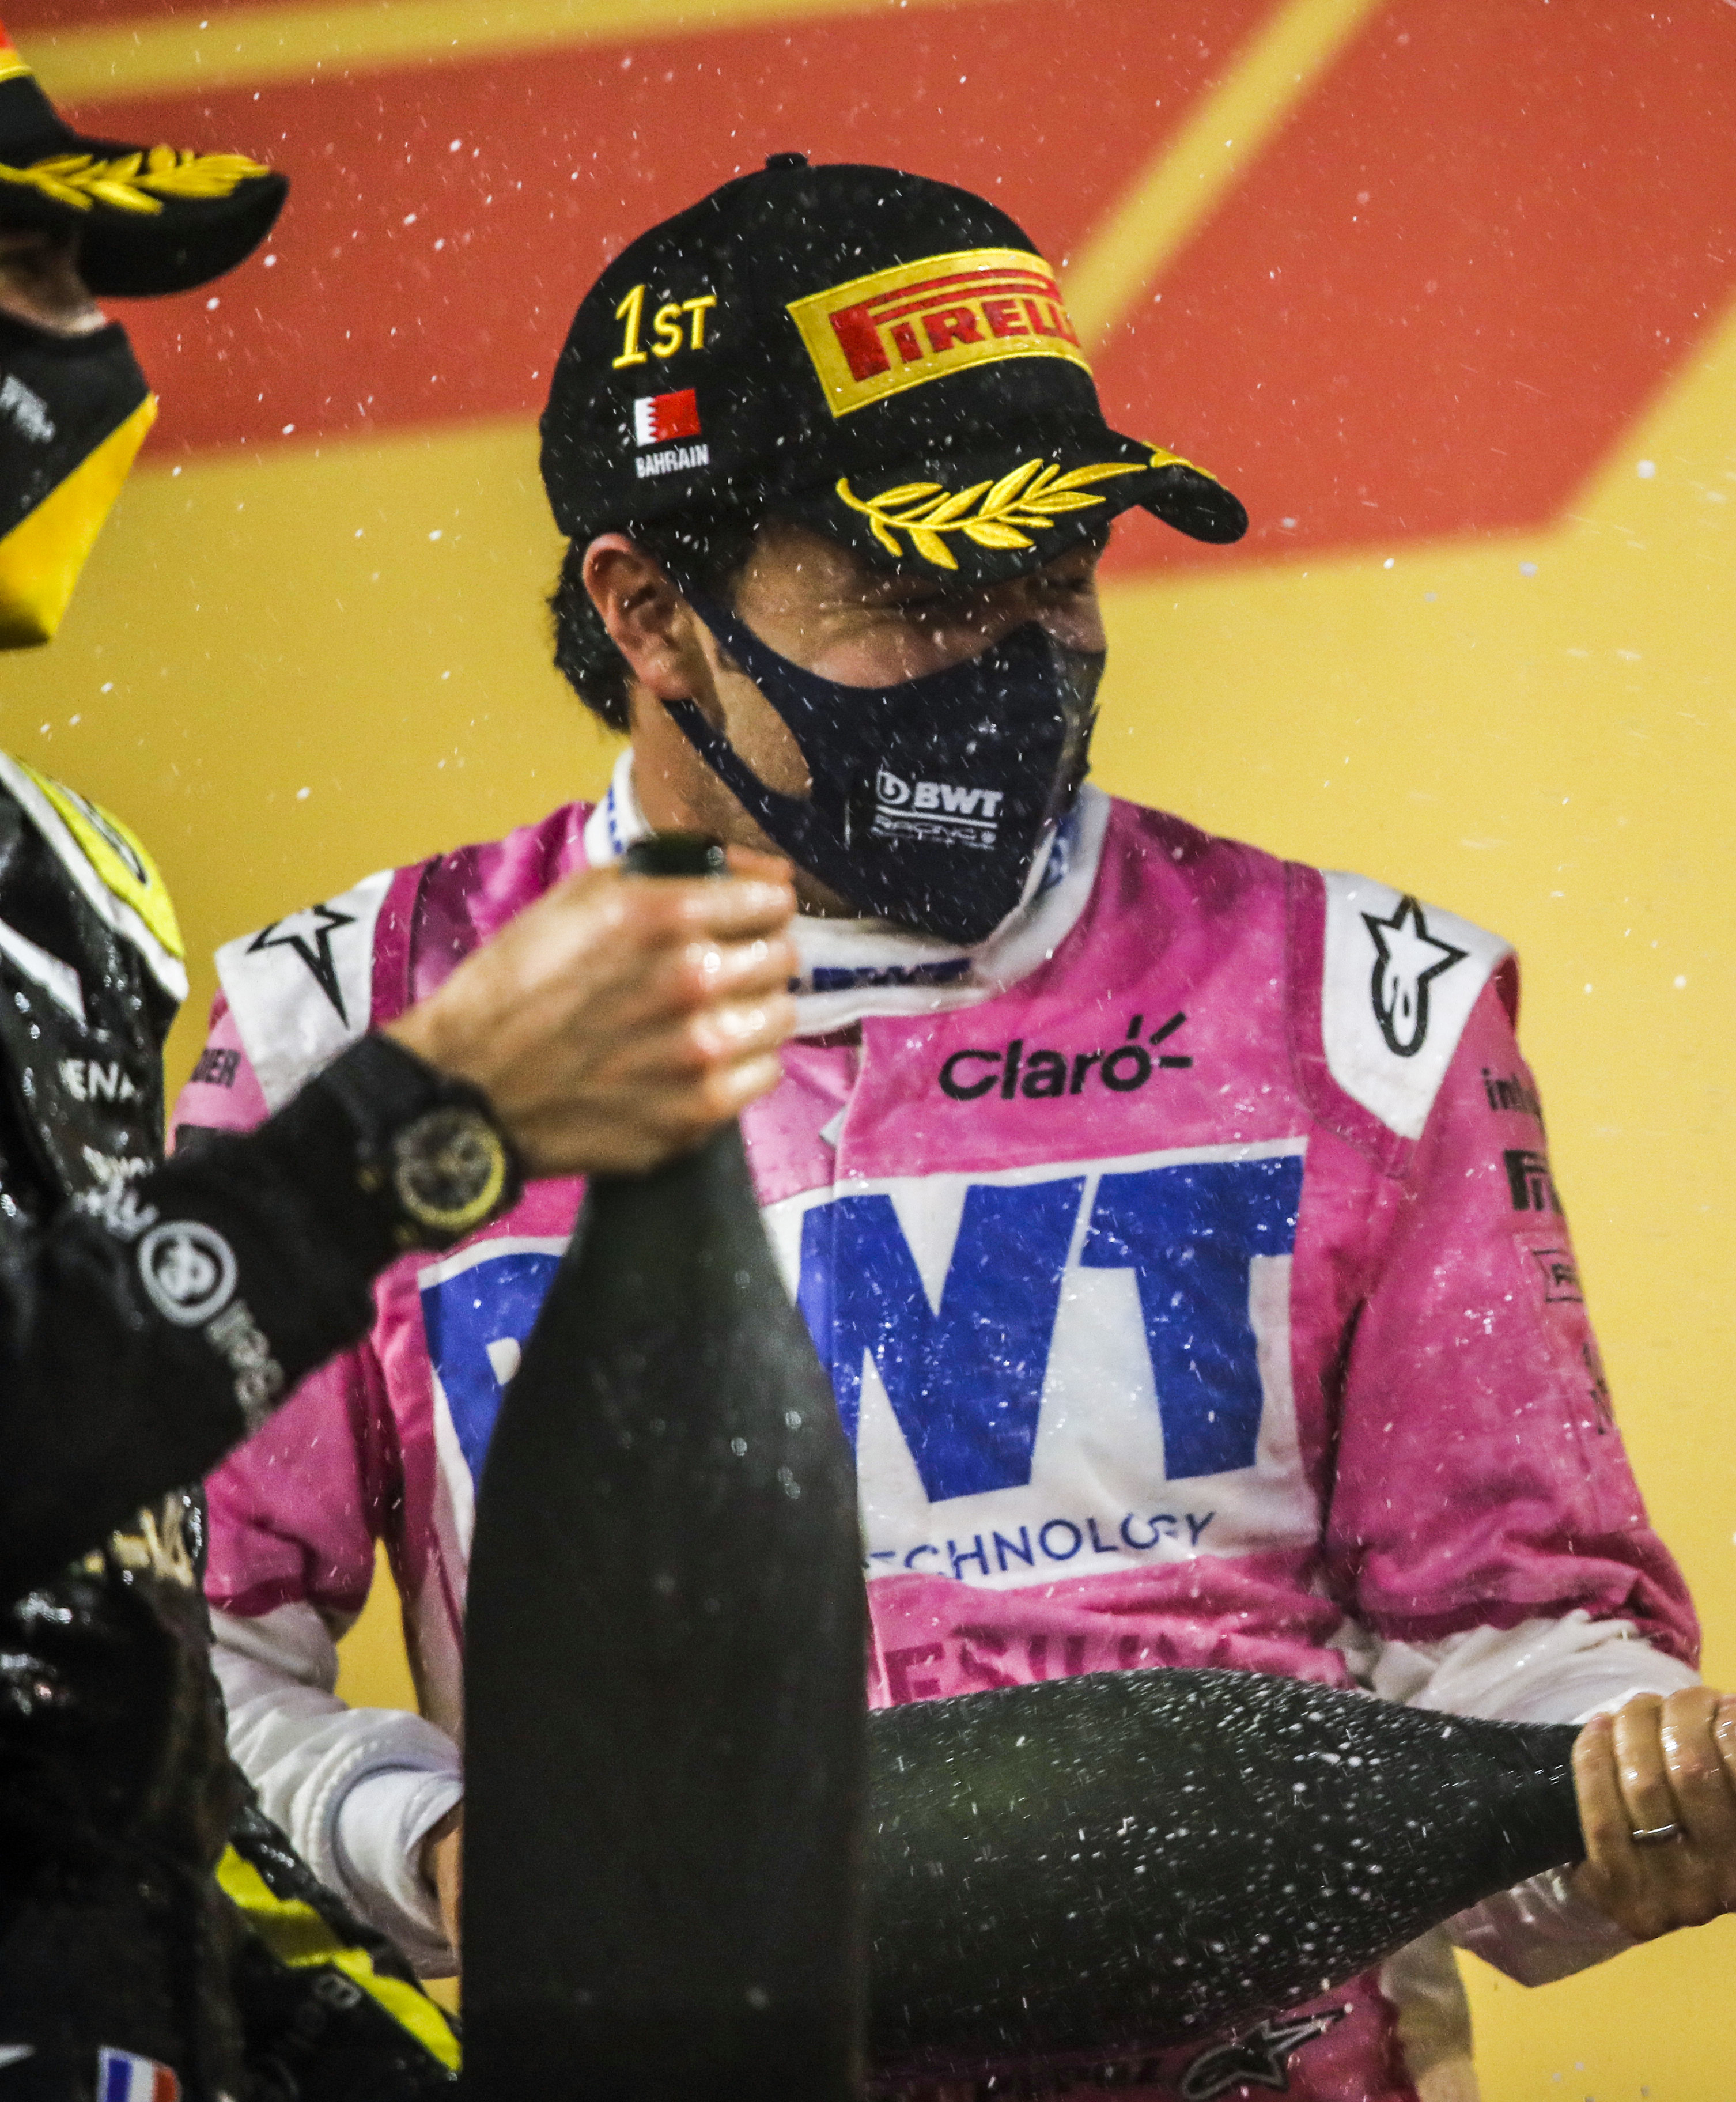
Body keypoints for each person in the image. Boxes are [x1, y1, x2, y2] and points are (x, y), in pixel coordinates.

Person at [194, 156, 1736, 2102]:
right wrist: (439, 1853)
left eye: (1059, 570)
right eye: (924, 589)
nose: (1014, 651)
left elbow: (1520, 1642)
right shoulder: (355, 1029)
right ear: (649, 610)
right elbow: (185, 1668)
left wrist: (1636, 1783)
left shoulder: (1361, 1006)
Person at [0, 28, 805, 2102]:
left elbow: (88, 1637)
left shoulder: (70, 890)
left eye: (83, 282)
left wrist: (301, 2024)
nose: (85, 354)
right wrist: (418, 1127)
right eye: (14, 272)